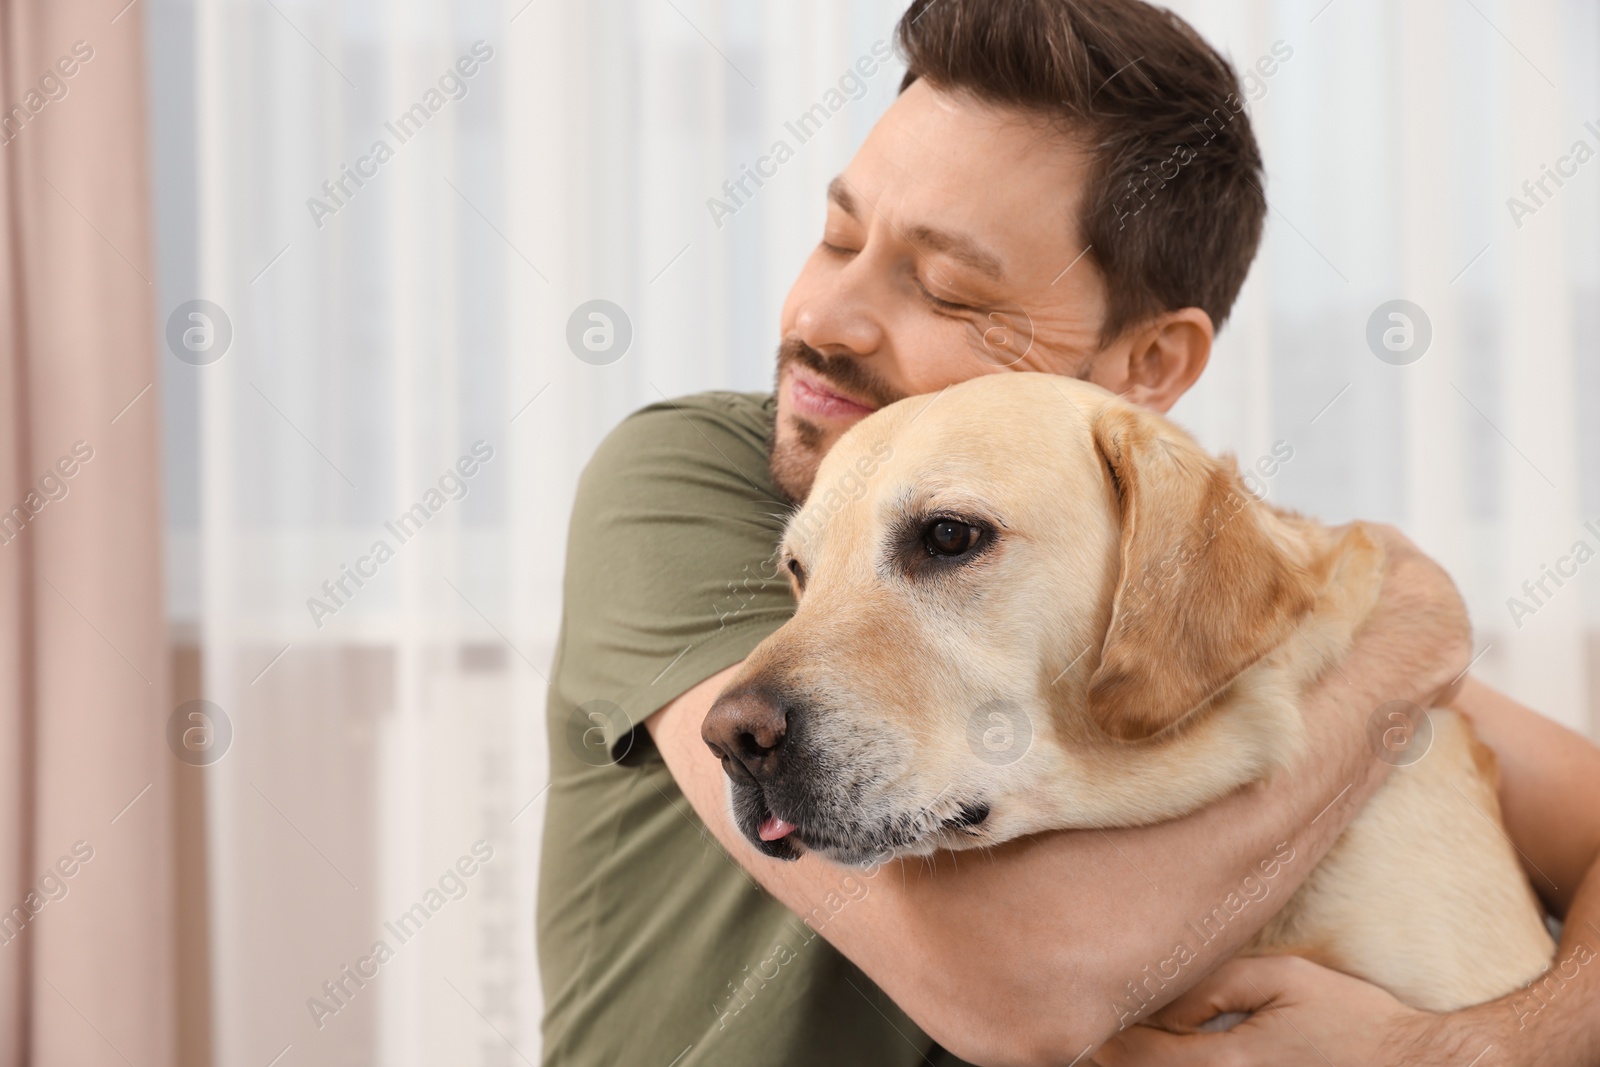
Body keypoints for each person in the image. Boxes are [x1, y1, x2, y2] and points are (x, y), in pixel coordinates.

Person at [537, 1, 1600, 1064]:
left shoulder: (1156, 547)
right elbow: (1023, 993)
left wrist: (1470, 1045)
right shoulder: (681, 474)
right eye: (838, 236)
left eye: (950, 290)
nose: (823, 318)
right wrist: (1398, 645)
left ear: (1146, 369)